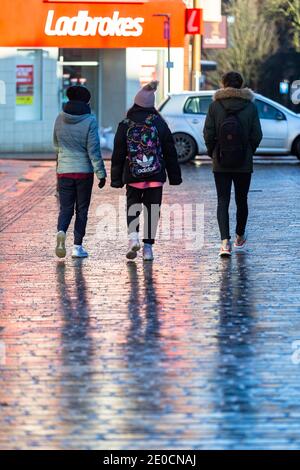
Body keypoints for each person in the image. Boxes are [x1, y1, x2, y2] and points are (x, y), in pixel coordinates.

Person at [111, 80, 182, 261]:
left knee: (132, 207)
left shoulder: (126, 123)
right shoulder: (158, 122)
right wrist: (175, 177)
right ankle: (148, 249)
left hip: (133, 174)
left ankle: (133, 238)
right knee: (152, 210)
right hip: (155, 174)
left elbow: (118, 153)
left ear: (135, 103)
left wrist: (116, 179)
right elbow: (170, 151)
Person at [204, 71, 263, 257]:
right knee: (241, 199)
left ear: (223, 84)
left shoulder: (215, 106)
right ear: (241, 85)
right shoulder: (250, 106)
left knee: (222, 200)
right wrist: (248, 151)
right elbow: (257, 134)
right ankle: (239, 236)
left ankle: (224, 243)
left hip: (220, 161)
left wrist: (213, 152)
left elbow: (208, 132)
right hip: (243, 162)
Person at [54, 85, 106, 258]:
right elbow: (94, 149)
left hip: (64, 171)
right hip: (83, 172)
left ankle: (61, 231)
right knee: (81, 210)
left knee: (65, 208)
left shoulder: (60, 118)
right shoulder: (90, 120)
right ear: (85, 101)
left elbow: (56, 144)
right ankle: (77, 247)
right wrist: (101, 173)